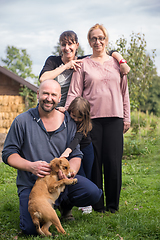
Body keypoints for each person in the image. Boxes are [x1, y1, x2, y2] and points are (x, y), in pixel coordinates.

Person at [2, 79, 102, 236]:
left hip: (61, 182)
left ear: (59, 97)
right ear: (38, 94)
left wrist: (71, 172)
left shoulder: (69, 121)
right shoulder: (22, 121)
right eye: (45, 93)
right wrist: (30, 166)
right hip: (33, 186)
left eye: (53, 95)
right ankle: (48, 207)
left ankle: (64, 205)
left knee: (93, 193)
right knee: (30, 229)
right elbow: (8, 154)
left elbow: (76, 154)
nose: (49, 98)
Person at [65, 24, 131, 213]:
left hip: (115, 118)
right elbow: (75, 92)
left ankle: (112, 206)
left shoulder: (117, 64)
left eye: (101, 38)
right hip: (90, 120)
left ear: (106, 40)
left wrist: (127, 117)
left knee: (113, 162)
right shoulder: (83, 64)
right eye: (93, 38)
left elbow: (124, 92)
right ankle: (98, 206)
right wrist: (66, 110)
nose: (97, 41)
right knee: (94, 163)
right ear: (89, 41)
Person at [39, 30, 130, 107]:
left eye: (70, 44)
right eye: (63, 45)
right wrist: (66, 66)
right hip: (49, 107)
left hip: (70, 112)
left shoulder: (83, 61)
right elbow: (43, 78)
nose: (67, 48)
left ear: (77, 45)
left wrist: (122, 62)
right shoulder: (53, 61)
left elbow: (110, 53)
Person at [60, 96, 94, 214]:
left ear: (85, 117)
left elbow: (76, 139)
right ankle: (77, 201)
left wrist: (67, 151)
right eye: (73, 115)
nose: (76, 119)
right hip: (74, 151)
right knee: (79, 173)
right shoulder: (67, 117)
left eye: (79, 117)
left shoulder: (84, 125)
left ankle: (87, 203)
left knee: (87, 174)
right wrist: (62, 110)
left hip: (86, 149)